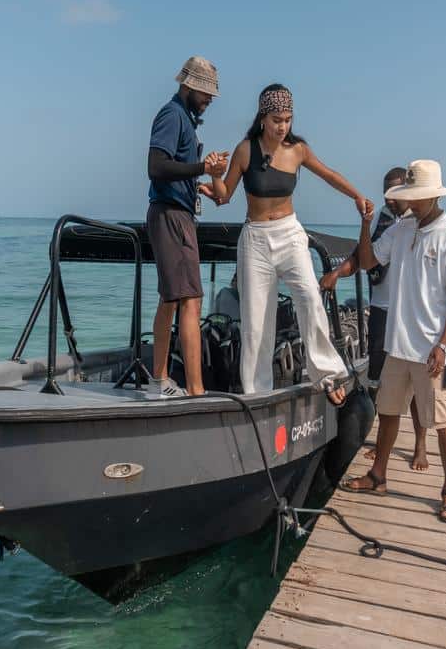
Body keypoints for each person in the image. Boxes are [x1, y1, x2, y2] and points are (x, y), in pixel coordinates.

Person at [208, 84, 372, 404]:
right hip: (255, 239)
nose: (282, 126)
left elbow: (328, 174)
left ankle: (327, 374)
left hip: (289, 235)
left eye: (287, 119)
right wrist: (215, 176)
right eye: (276, 120)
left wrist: (356, 195)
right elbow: (223, 196)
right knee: (256, 321)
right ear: (262, 118)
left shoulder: (297, 150)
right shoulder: (245, 150)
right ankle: (257, 393)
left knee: (310, 297)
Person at [341, 159, 446, 523]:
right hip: (398, 344)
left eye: (416, 195)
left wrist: (443, 344)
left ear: (434, 195)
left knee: (442, 422)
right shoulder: (400, 229)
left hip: (432, 350)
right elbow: (369, 261)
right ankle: (378, 476)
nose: (409, 201)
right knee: (388, 413)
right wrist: (365, 223)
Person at [319, 167, 429, 470]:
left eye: (395, 193)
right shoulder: (382, 219)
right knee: (381, 381)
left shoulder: (419, 221)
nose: (389, 199)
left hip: (411, 313)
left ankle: (420, 444)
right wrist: (336, 274)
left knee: (417, 384)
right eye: (385, 193)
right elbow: (362, 256)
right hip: (381, 309)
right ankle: (383, 441)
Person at [146, 56, 229, 397]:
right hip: (172, 215)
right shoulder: (172, 115)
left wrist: (198, 185)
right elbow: (156, 167)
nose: (209, 99)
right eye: (205, 92)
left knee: (171, 298)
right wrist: (201, 169)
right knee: (191, 300)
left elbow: (173, 168)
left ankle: (159, 379)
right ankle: (195, 391)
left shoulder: (184, 120)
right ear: (189, 86)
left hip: (173, 212)